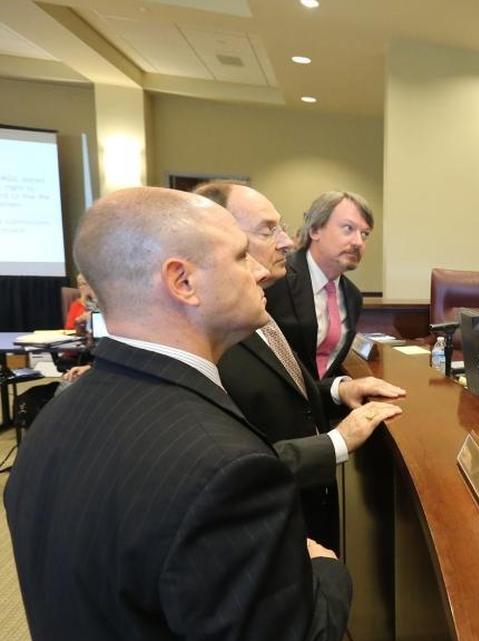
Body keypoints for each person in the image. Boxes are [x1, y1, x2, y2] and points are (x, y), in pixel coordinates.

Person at [5, 187, 351, 640]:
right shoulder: (227, 469)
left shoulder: (53, 415)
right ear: (182, 281)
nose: (261, 271)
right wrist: (325, 569)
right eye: (241, 256)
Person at [195, 181, 405, 552]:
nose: (285, 243)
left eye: (365, 233)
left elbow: (285, 384)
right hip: (264, 520)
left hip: (304, 492)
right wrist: (336, 441)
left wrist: (340, 389)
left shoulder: (341, 296)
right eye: (267, 230)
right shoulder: (216, 329)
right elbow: (228, 463)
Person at [265, 191, 373, 380]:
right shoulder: (277, 279)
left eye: (364, 234)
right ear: (315, 230)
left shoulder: (353, 296)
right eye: (348, 228)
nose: (358, 242)